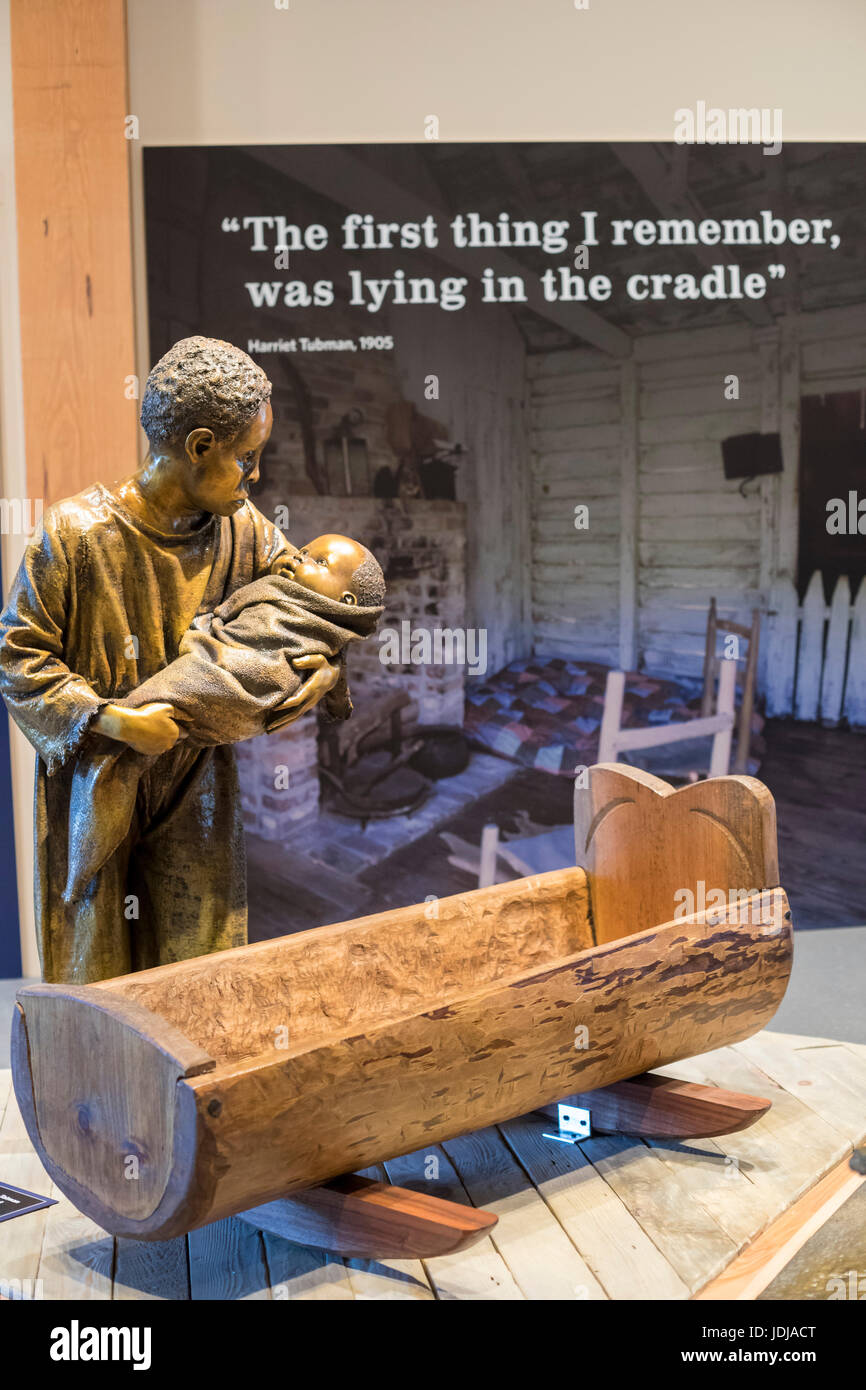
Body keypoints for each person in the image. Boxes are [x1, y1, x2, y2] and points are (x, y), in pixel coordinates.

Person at [0, 336, 345, 983]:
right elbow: (19, 659)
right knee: (94, 964)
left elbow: (304, 605)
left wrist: (302, 667)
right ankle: (95, 1084)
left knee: (201, 961)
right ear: (200, 447)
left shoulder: (245, 532)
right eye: (248, 458)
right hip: (95, 783)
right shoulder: (74, 535)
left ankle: (189, 1083)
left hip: (197, 784)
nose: (256, 475)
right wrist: (113, 720)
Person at [64, 534, 385, 902]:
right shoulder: (75, 532)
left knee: (134, 743)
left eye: (318, 561)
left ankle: (88, 856)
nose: (299, 558)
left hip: (237, 677)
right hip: (196, 666)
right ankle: (85, 861)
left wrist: (331, 670)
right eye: (304, 552)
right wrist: (104, 720)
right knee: (113, 764)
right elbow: (21, 662)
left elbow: (330, 626)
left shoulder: (245, 524)